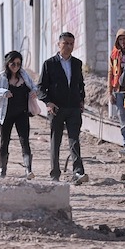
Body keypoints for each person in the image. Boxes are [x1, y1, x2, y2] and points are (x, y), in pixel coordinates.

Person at [38, 31, 89, 184]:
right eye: (65, 43)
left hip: (73, 108)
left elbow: (80, 84)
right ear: (59, 44)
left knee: (74, 140)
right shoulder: (49, 64)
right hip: (57, 108)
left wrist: (81, 99)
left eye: (71, 43)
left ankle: (78, 172)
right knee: (56, 141)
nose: (68, 46)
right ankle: (55, 173)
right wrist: (48, 103)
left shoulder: (77, 63)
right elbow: (40, 88)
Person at [0, 50, 39, 179]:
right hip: (6, 114)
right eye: (13, 64)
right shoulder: (0, 78)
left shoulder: (24, 76)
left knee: (25, 141)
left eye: (18, 64)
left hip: (22, 113)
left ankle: (28, 169)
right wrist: (3, 92)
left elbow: (34, 87)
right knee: (4, 141)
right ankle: (2, 170)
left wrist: (34, 92)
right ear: (7, 63)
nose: (16, 67)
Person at [107, 29, 125, 151]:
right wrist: (110, 92)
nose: (123, 42)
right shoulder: (114, 55)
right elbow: (110, 74)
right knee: (122, 121)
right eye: (120, 40)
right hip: (119, 92)